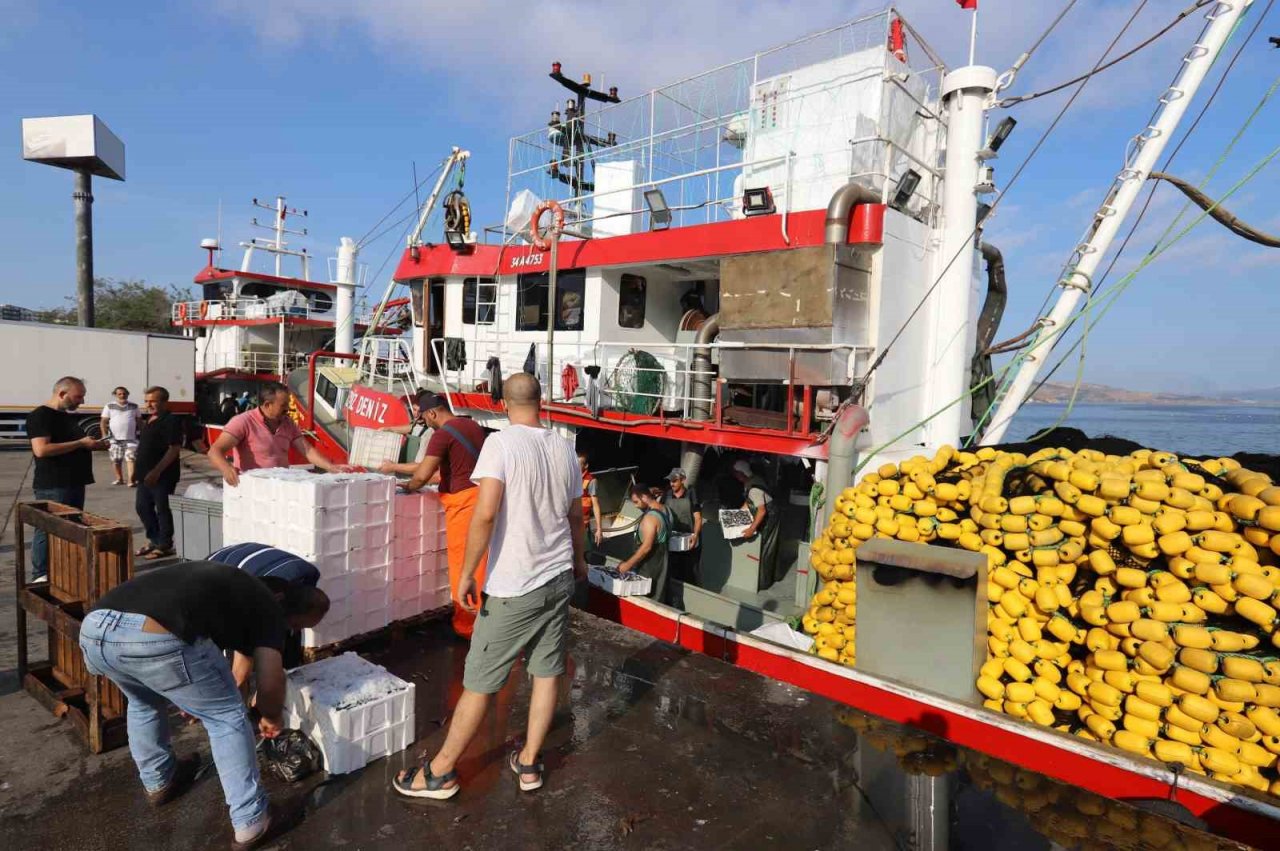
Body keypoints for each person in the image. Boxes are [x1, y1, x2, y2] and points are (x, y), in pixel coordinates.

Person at [391, 373, 585, 800]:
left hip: (516, 584)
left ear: (501, 403)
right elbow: (575, 517)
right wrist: (581, 561)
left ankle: (440, 772)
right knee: (547, 671)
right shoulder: (563, 447)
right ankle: (530, 762)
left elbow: (485, 514)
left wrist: (466, 573)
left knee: (479, 680)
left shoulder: (501, 444)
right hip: (557, 576)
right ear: (542, 400)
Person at [79, 562, 328, 848]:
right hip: (152, 637)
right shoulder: (271, 611)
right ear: (288, 609)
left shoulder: (241, 588)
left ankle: (160, 781)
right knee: (227, 718)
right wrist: (272, 717)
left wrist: (192, 694)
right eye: (296, 626)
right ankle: (252, 821)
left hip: (96, 630)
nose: (290, 632)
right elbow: (270, 682)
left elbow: (239, 666)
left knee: (143, 701)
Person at [382, 391, 489, 639]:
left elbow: (422, 474)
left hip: (462, 505)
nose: (425, 423)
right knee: (481, 563)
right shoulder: (472, 425)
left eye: (425, 418)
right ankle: (484, 621)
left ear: (433, 413)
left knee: (463, 567)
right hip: (481, 497)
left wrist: (407, 486)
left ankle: (468, 627)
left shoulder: (441, 435)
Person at [26, 377, 108, 582]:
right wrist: (80, 443)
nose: (81, 401)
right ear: (62, 393)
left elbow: (73, 444)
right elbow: (41, 449)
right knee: (48, 529)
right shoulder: (41, 416)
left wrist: (93, 445)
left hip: (73, 482)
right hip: (55, 485)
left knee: (70, 528)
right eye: (78, 396)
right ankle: (41, 575)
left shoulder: (64, 416)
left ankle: (62, 570)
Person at [207, 542, 328, 681]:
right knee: (235, 662)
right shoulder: (256, 598)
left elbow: (289, 627)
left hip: (254, 561)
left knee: (287, 644)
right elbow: (240, 672)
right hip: (214, 572)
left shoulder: (309, 577)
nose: (297, 629)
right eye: (296, 625)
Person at [207, 382, 343, 486]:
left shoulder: (288, 423)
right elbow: (215, 451)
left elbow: (307, 450)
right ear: (267, 405)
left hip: (280, 488)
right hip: (253, 488)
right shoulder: (242, 422)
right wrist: (226, 468)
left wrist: (330, 467)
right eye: (283, 406)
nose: (288, 409)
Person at [134, 387, 186, 561]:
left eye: (153, 401)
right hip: (144, 475)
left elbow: (174, 449)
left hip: (162, 475)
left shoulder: (171, 420)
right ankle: (155, 540)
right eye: (147, 400)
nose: (149, 404)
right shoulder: (149, 419)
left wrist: (156, 471)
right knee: (142, 507)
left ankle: (164, 544)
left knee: (162, 509)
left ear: (164, 402)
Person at [732, 459, 781, 587]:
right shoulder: (751, 481)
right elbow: (748, 502)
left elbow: (761, 511)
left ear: (742, 473)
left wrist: (751, 529)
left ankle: (763, 581)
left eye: (737, 473)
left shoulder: (755, 488)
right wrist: (736, 516)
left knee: (765, 547)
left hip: (771, 516)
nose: (735, 476)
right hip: (766, 512)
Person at [617, 484, 670, 602]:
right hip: (662, 566)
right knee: (658, 595)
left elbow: (646, 547)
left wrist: (627, 565)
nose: (635, 506)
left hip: (648, 568)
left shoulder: (650, 518)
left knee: (646, 598)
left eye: (636, 502)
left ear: (644, 497)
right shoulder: (665, 510)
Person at [662, 467, 703, 585]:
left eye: (674, 480)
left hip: (688, 540)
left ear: (683, 480)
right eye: (670, 481)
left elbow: (698, 518)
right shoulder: (667, 494)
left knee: (689, 572)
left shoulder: (691, 494)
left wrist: (695, 535)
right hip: (672, 539)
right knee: (671, 570)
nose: (672, 483)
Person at [101, 386, 140, 486]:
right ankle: (120, 479)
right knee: (116, 460)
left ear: (127, 394)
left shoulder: (134, 406)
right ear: (115, 395)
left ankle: (131, 481)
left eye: (124, 393)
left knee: (131, 459)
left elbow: (139, 421)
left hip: (131, 439)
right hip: (115, 439)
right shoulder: (109, 406)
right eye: (120, 394)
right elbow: (103, 422)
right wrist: (105, 436)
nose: (122, 395)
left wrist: (143, 434)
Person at [578, 451, 602, 548]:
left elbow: (596, 505)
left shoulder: (591, 481)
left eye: (578, 464)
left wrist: (599, 529)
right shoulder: (571, 478)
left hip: (583, 525)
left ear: (586, 465)